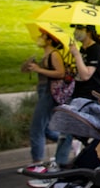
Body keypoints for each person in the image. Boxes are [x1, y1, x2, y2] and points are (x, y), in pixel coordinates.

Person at [19, 28, 72, 174]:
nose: (39, 38)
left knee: (37, 127)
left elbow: (60, 73)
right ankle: (69, 142)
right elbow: (24, 71)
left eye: (43, 36)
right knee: (47, 129)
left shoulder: (54, 54)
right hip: (43, 90)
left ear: (50, 39)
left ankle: (37, 163)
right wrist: (30, 66)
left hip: (50, 92)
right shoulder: (44, 55)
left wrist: (38, 69)